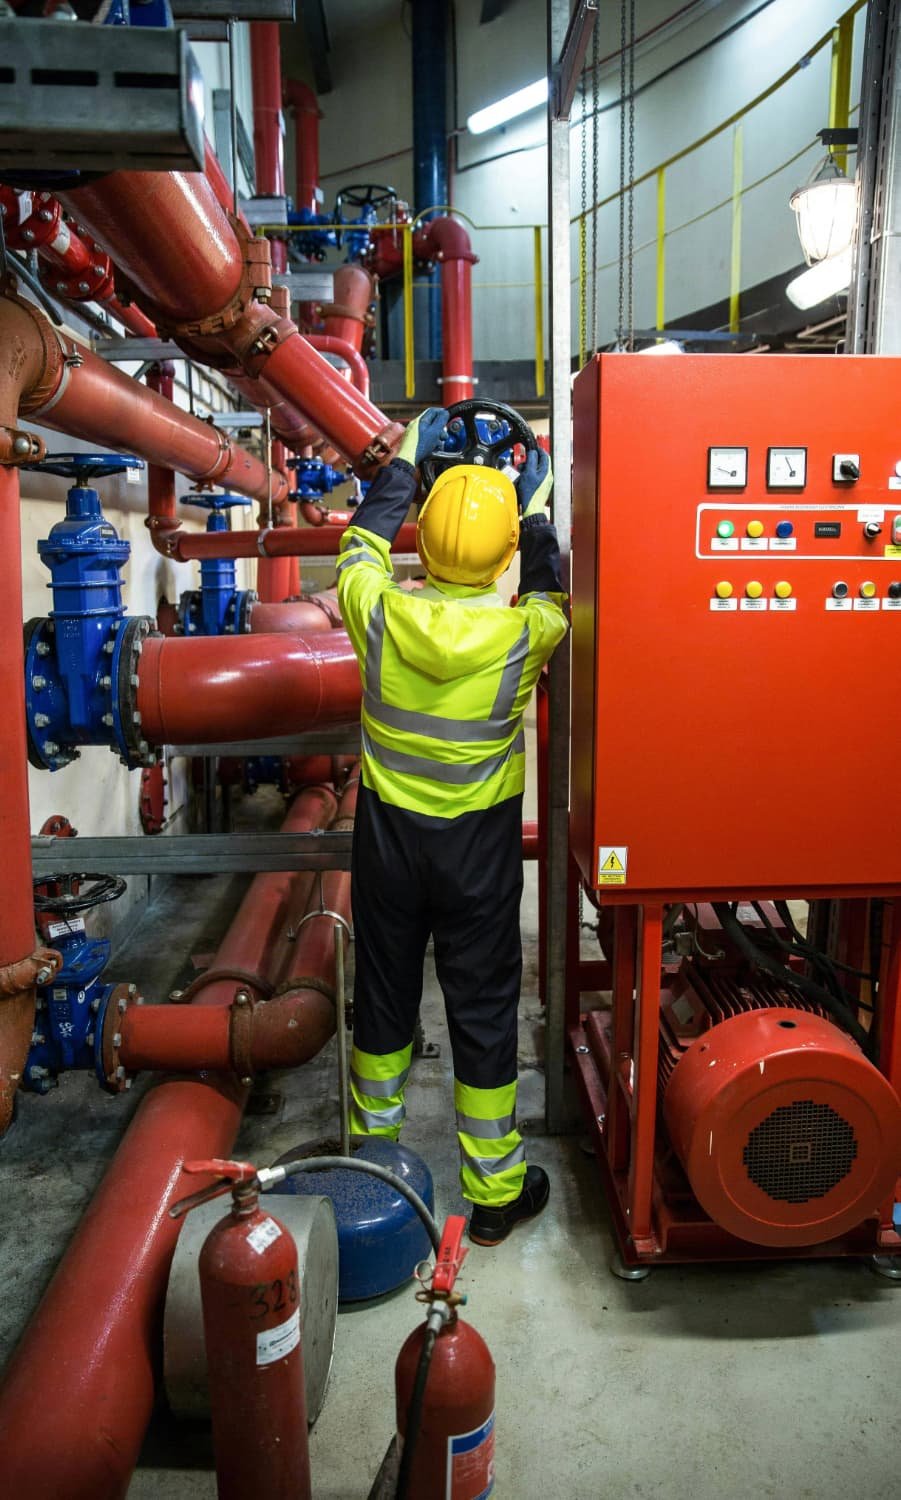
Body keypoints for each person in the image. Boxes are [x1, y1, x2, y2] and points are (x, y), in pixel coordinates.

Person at [336, 406, 568, 1245]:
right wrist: (534, 512)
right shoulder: (523, 636)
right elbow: (549, 592)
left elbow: (358, 548)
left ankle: (375, 1163)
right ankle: (495, 1191)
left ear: (422, 539)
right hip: (477, 854)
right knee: (481, 1004)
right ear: (502, 553)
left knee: (386, 994)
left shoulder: (377, 614)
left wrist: (400, 466)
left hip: (390, 845)